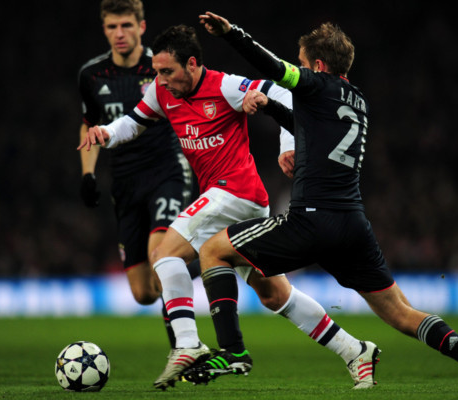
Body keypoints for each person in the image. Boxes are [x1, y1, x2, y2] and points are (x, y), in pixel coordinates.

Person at [190, 12, 458, 393]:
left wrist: (232, 34)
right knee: (401, 313)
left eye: (304, 62)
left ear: (319, 66)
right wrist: (272, 108)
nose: (299, 68)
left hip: (311, 221)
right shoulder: (358, 101)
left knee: (213, 250)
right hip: (353, 225)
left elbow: (273, 67)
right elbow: (313, 129)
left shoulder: (314, 84)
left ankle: (233, 352)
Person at [79, 24, 371, 390]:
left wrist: (285, 144)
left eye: (168, 71)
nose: (162, 80)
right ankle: (354, 349)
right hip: (240, 204)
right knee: (273, 294)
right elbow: (133, 124)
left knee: (166, 252)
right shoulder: (161, 91)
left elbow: (283, 91)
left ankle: (187, 343)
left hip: (235, 191)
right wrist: (106, 133)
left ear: (192, 64)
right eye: (158, 72)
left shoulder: (225, 86)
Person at [77, 0, 199, 350]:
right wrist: (88, 174)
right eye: (112, 27)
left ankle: (185, 351)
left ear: (141, 27)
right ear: (104, 29)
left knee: (161, 254)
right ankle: (196, 264)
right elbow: (89, 126)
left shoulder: (159, 65)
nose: (120, 33)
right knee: (144, 292)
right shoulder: (92, 75)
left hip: (167, 171)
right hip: (125, 182)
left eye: (127, 25)